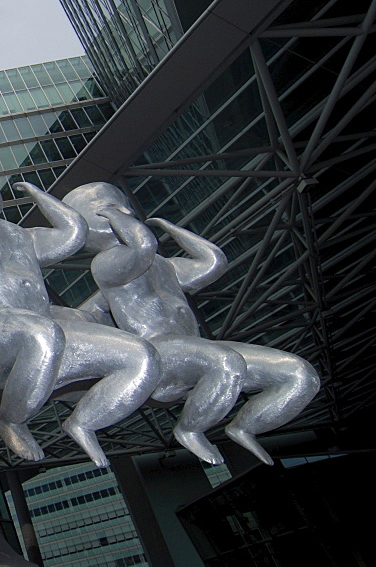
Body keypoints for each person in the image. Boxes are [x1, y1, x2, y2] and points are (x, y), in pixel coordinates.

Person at [0, 147, 160, 467]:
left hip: (43, 331)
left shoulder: (25, 237)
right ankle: (11, 419)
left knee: (142, 356)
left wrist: (38, 194)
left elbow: (73, 233)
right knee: (44, 332)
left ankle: (84, 422)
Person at [63, 182, 320, 464]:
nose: (122, 210)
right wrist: (115, 215)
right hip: (160, 350)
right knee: (225, 361)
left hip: (193, 347)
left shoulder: (163, 266)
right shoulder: (106, 263)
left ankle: (245, 426)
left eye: (118, 204)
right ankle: (190, 429)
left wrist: (170, 227)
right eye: (101, 207)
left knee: (299, 374)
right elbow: (143, 247)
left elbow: (212, 263)